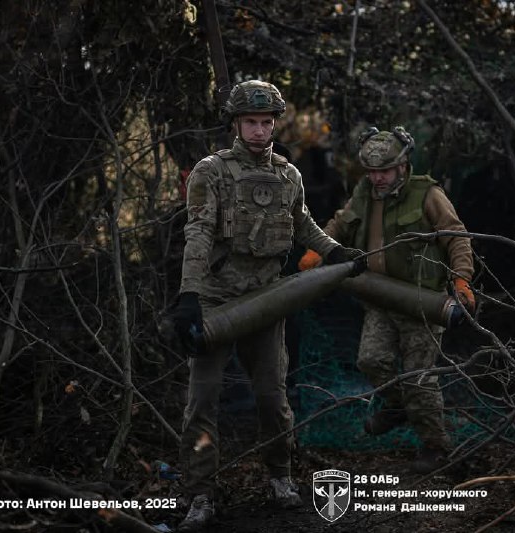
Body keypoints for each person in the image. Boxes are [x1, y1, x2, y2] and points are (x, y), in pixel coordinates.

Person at [171, 80, 361, 531]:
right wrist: (189, 295)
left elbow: (304, 225)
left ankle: (280, 478)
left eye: (266, 122)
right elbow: (197, 232)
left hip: (266, 299)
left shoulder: (288, 174)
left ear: (275, 124)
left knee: (273, 398)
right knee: (202, 402)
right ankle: (200, 493)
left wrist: (335, 251)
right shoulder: (211, 172)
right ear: (236, 125)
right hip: (216, 301)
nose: (259, 130)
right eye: (251, 122)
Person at [298, 126, 475, 474]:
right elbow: (341, 223)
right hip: (379, 299)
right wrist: (318, 250)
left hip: (422, 303)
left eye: (385, 171)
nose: (377, 178)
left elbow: (456, 236)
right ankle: (397, 406)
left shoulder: (427, 194)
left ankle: (437, 448)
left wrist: (461, 278)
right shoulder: (365, 192)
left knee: (419, 379)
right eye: (372, 171)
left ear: (402, 165)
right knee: (370, 360)